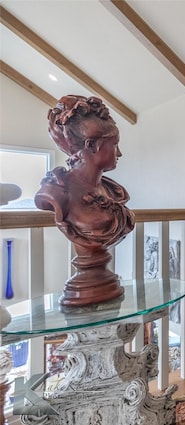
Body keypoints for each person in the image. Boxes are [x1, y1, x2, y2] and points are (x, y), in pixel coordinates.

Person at [35, 95, 135, 305]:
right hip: (84, 291)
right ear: (92, 146)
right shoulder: (58, 192)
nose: (119, 153)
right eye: (114, 144)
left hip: (106, 283)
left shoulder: (112, 191)